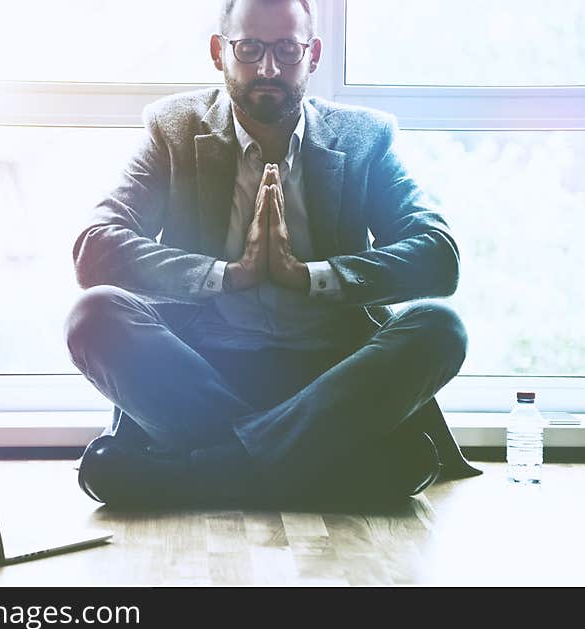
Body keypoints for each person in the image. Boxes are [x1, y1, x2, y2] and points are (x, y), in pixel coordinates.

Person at [64, 0, 480, 509]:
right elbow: (95, 247)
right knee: (93, 315)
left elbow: (438, 256)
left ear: (314, 54)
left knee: (441, 328)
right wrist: (222, 275)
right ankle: (323, 467)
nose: (268, 68)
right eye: (250, 48)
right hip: (201, 371)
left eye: (287, 49)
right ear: (220, 52)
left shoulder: (365, 137)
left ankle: (196, 475)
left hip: (329, 380)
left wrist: (312, 277)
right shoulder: (172, 129)